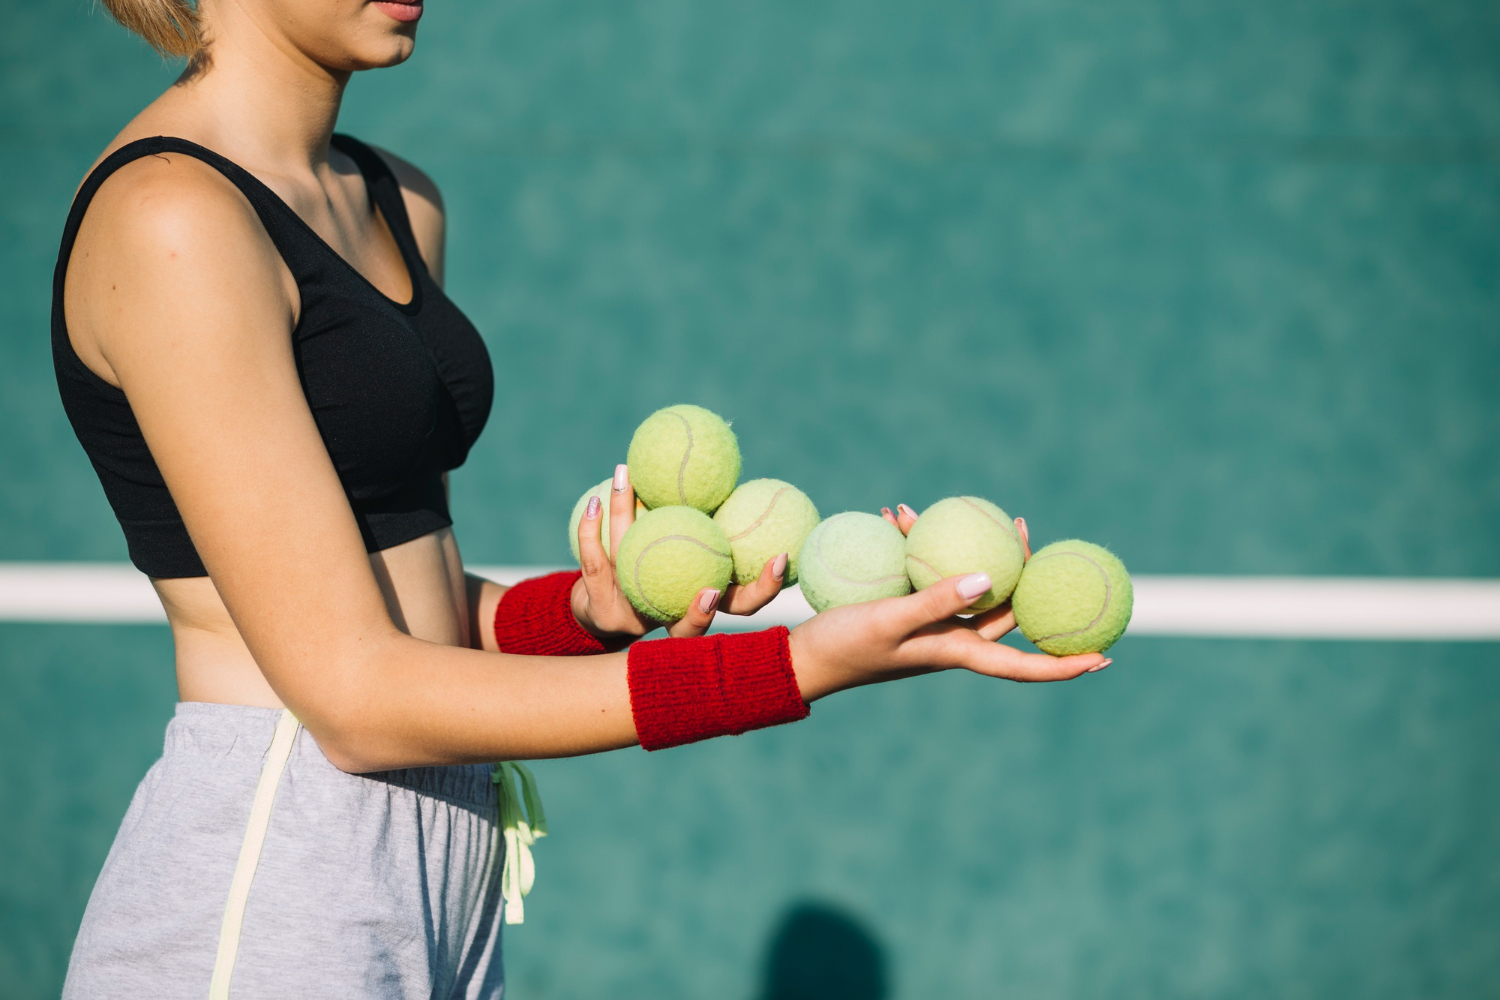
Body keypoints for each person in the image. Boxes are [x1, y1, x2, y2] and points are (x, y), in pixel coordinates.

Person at [52, 0, 1110, 996]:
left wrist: (583, 616)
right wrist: (798, 665)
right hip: (279, 852)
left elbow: (394, 591)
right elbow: (353, 697)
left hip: (445, 848)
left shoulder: (399, 198)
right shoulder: (172, 220)